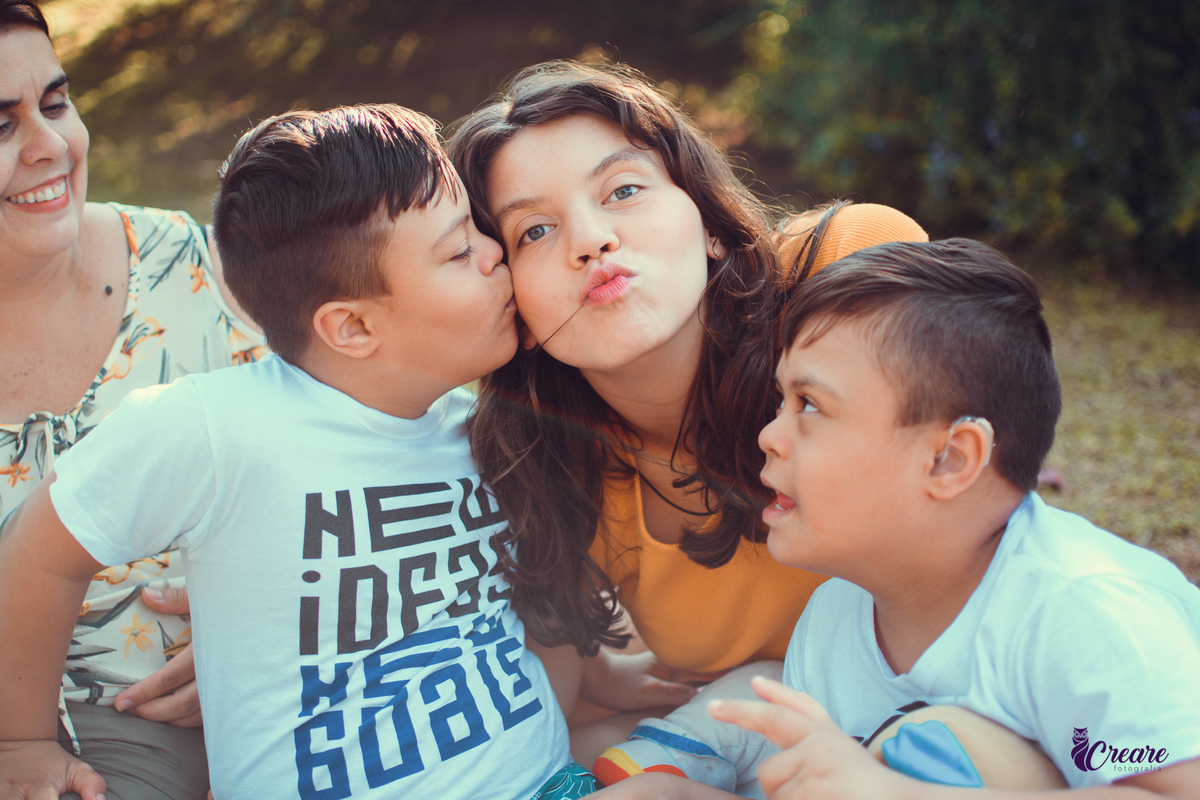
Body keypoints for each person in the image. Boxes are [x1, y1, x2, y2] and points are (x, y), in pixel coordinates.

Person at [0, 103, 592, 799]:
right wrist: (21, 740)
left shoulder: (487, 434)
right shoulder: (216, 428)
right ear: (351, 327)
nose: (498, 256)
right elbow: (39, 551)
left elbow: (539, 625)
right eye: (461, 251)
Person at [446, 60, 929, 758]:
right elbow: (536, 720)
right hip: (753, 731)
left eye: (625, 189)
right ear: (512, 305)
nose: (590, 240)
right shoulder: (548, 457)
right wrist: (600, 684)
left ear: (708, 222)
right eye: (534, 233)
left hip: (967, 701)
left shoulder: (849, 268)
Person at [612, 238, 1200, 798]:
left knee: (945, 745)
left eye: (810, 405)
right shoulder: (838, 617)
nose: (769, 435)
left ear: (948, 460)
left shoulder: (1083, 612)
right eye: (780, 401)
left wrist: (901, 792)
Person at [0, 1, 264, 796]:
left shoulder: (184, 263)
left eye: (54, 104)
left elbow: (314, 462)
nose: (50, 148)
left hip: (243, 694)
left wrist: (252, 619)